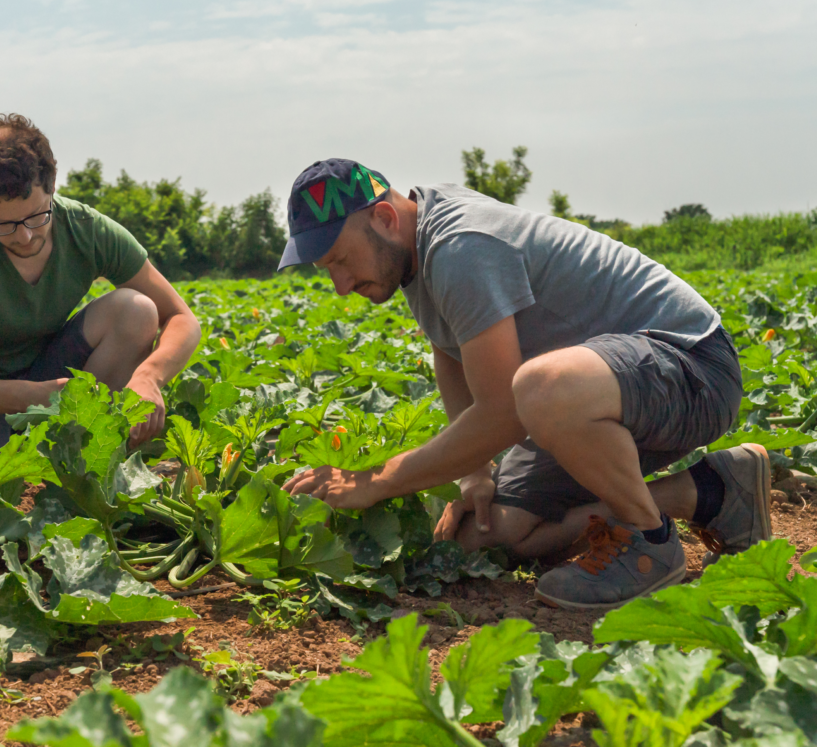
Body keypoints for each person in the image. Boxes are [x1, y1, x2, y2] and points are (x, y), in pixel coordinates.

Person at [278, 158, 770, 611]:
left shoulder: (458, 245)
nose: (340, 285)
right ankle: (710, 491)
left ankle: (649, 543)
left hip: (692, 365)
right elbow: (449, 348)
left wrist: (376, 481)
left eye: (341, 260)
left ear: (385, 218)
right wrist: (474, 472)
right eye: (328, 272)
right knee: (491, 533)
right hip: (604, 392)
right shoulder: (414, 248)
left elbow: (502, 414)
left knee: (538, 387)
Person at [0, 114, 201, 471]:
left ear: (52, 188)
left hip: (45, 378)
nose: (24, 236)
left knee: (136, 310)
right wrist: (39, 396)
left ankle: (89, 462)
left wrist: (148, 378)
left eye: (37, 216)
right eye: (3, 225)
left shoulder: (86, 229)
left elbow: (182, 318)